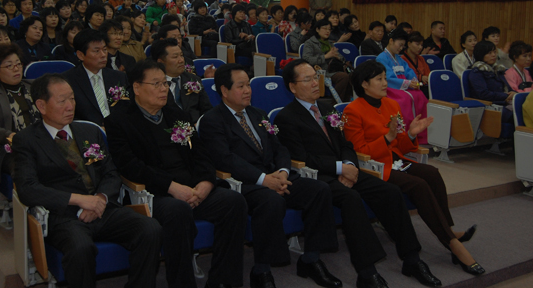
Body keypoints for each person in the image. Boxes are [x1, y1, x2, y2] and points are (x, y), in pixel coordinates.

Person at [277, 59, 444, 288]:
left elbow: (346, 143)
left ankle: (412, 258)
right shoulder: (286, 117)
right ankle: (366, 272)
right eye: (307, 80)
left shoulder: (328, 108)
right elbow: (303, 159)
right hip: (317, 176)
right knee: (351, 198)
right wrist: (339, 168)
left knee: (390, 191)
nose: (316, 83)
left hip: (345, 168)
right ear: (292, 87)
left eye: (315, 77)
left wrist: (349, 165)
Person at [104, 60, 245, 288]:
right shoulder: (119, 121)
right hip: (156, 194)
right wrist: (171, 187)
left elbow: (201, 153)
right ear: (137, 88)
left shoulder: (176, 114)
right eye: (157, 84)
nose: (164, 89)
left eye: (165, 84)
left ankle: (223, 280)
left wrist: (206, 183)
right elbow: (130, 166)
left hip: (193, 188)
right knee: (177, 211)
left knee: (234, 202)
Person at [12, 73, 162, 288]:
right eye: (62, 101)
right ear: (41, 106)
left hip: (103, 208)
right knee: (81, 248)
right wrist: (80, 200)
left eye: (72, 99)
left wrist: (100, 198)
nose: (70, 106)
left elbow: (111, 173)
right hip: (64, 216)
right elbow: (27, 188)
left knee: (150, 229)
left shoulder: (89, 131)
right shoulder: (26, 140)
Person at [200, 64, 341, 288]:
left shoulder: (259, 114)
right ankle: (262, 270)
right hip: (245, 184)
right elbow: (226, 160)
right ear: (224, 91)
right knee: (271, 200)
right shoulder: (212, 120)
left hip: (275, 176)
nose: (248, 90)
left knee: (319, 190)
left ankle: (311, 258)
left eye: (248, 85)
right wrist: (264, 180)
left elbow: (280, 148)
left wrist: (283, 172)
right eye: (241, 86)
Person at [343, 60, 484, 278]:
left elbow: (400, 144)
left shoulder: (391, 105)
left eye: (383, 77)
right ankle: (452, 243)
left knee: (432, 173)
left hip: (395, 159)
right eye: (379, 79)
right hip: (375, 167)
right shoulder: (353, 110)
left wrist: (410, 134)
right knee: (417, 185)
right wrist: (387, 137)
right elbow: (358, 151)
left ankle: (447, 229)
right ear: (364, 84)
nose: (384, 83)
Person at [0, 43, 41, 177]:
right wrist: (9, 136)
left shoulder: (33, 86)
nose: (16, 69)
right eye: (9, 66)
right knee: (31, 168)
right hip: (14, 150)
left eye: (18, 64)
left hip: (42, 142)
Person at [62, 29, 128, 126]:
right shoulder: (67, 80)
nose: (103, 55)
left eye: (105, 50)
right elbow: (69, 116)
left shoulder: (119, 77)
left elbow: (127, 108)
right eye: (96, 51)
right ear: (80, 55)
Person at [376, 29, 428, 143]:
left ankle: (421, 136)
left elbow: (409, 72)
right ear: (391, 41)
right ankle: (405, 137)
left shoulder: (399, 59)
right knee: (404, 100)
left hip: (404, 87)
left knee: (421, 96)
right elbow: (388, 78)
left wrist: (414, 81)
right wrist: (408, 83)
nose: (401, 48)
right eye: (400, 45)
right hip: (391, 88)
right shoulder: (381, 58)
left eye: (403, 46)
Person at [150, 39, 212, 123]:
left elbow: (207, 109)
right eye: (175, 57)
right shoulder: (152, 84)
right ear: (160, 62)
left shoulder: (193, 79)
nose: (181, 60)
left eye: (181, 55)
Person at [302, 19, 353, 102]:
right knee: (343, 77)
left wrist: (338, 57)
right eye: (325, 28)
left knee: (351, 76)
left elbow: (342, 58)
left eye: (329, 29)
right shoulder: (310, 43)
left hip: (332, 70)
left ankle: (346, 104)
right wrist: (325, 56)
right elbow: (307, 59)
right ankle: (334, 104)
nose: (327, 31)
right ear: (317, 29)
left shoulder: (330, 43)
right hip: (319, 72)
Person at [468, 41, 516, 125]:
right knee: (519, 113)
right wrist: (506, 96)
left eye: (494, 52)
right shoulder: (477, 72)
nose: (493, 55)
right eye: (489, 53)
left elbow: (507, 87)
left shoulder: (497, 69)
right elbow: (483, 94)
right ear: (481, 54)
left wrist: (513, 93)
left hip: (504, 102)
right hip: (491, 105)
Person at [401, 32, 431, 98]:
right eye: (417, 44)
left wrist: (425, 79)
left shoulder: (421, 59)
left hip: (423, 85)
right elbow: (404, 77)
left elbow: (428, 74)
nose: (420, 47)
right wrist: (420, 77)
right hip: (411, 87)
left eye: (421, 45)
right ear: (409, 44)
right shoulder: (402, 60)